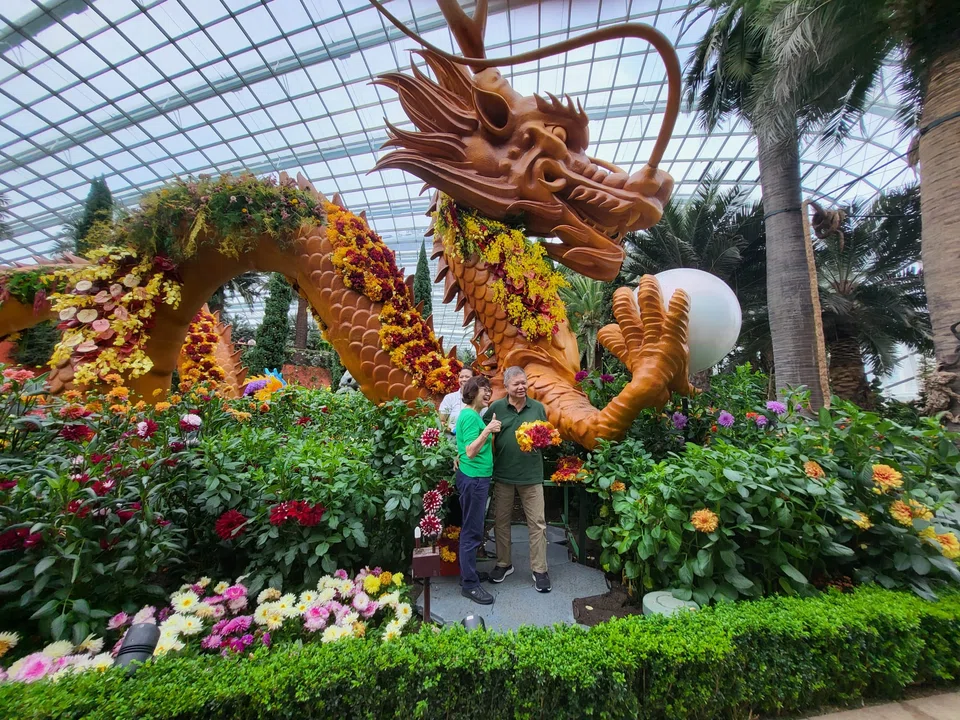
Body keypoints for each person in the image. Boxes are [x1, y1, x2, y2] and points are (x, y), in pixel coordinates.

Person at [483, 366, 552, 593]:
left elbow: (547, 436)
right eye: (517, 384)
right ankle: (504, 564)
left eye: (524, 382)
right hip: (503, 474)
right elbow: (481, 434)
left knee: (537, 523)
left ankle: (540, 570)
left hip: (531, 475)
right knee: (501, 522)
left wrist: (544, 440)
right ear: (506, 387)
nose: (522, 387)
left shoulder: (538, 408)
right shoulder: (496, 408)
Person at [454, 375, 500, 605]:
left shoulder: (469, 415)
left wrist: (459, 455)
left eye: (489, 389)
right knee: (471, 532)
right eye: (484, 388)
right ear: (472, 392)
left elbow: (462, 446)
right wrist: (488, 429)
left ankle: (468, 574)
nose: (488, 392)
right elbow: (471, 450)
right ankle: (469, 585)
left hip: (472, 477)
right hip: (474, 480)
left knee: (472, 529)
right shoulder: (472, 417)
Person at [439, 367, 475, 436]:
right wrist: (453, 430)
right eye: (461, 377)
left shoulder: (478, 399)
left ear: (474, 379)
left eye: (467, 377)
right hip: (451, 440)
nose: (464, 379)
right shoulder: (450, 398)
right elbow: (441, 421)